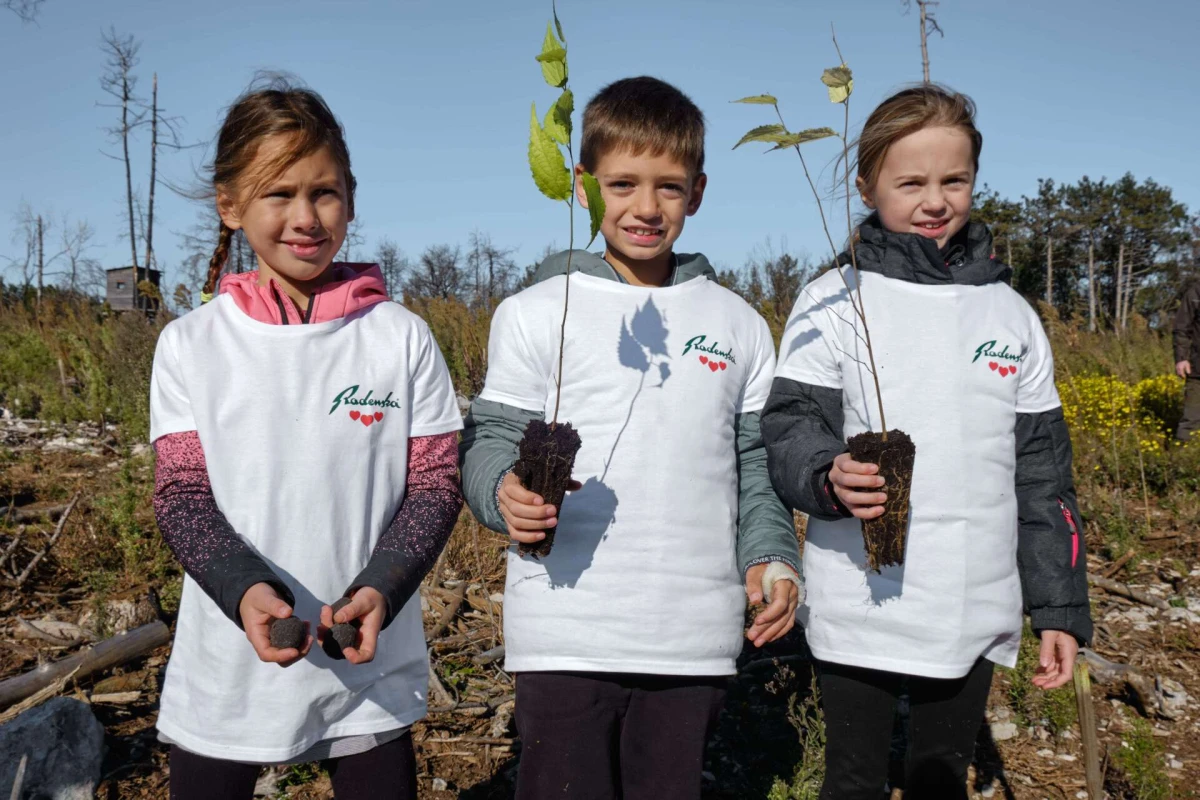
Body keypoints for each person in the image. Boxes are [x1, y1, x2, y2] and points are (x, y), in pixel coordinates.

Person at [460, 76, 802, 799]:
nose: (646, 208)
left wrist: (772, 557)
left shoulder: (738, 324)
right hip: (564, 626)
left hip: (693, 632)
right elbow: (492, 436)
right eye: (622, 184)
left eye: (669, 188)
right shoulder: (534, 312)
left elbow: (752, 464)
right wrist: (501, 493)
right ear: (583, 187)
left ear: (698, 192)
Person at [762, 85, 1092, 800]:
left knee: (941, 777)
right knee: (852, 778)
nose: (935, 200)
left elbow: (1042, 478)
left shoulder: (1010, 314)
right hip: (858, 598)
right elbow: (789, 426)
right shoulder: (832, 299)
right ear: (866, 185)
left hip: (973, 601)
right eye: (910, 182)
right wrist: (826, 476)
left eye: (955, 180)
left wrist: (1059, 610)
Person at [149, 79, 463, 800]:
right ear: (230, 206)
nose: (305, 217)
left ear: (350, 199)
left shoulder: (398, 337)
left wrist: (381, 586)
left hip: (367, 662)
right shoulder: (191, 345)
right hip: (228, 667)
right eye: (277, 193)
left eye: (324, 192)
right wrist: (244, 589)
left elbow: (435, 482)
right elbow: (182, 491)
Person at [1171, 280, 1200, 440]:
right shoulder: (1196, 292)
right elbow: (1181, 328)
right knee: (1191, 421)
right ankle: (1181, 461)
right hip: (1198, 369)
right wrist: (1181, 359)